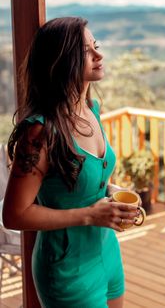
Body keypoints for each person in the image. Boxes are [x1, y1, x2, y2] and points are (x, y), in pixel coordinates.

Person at [2, 17, 139, 308]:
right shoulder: (39, 133)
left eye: (96, 46)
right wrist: (89, 215)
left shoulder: (92, 110)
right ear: (60, 62)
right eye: (85, 51)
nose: (99, 55)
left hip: (107, 252)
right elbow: (14, 215)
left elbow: (79, 177)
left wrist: (111, 192)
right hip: (68, 270)